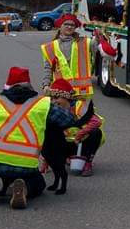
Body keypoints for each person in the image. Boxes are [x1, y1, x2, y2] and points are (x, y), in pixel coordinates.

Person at [0, 68, 81, 209]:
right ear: (29, 86)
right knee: (39, 185)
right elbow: (68, 120)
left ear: (7, 87)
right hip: (25, 166)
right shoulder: (42, 105)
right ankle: (24, 187)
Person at [40, 13, 114, 176]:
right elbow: (47, 68)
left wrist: (99, 37)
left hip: (82, 95)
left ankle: (86, 159)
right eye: (66, 24)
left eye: (72, 25)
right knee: (52, 127)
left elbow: (100, 48)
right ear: (60, 26)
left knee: (89, 129)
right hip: (60, 95)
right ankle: (54, 157)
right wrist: (45, 84)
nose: (69, 27)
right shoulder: (50, 47)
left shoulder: (84, 43)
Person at [45, 79, 104, 177]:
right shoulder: (54, 111)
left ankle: (87, 162)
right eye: (51, 98)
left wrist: (80, 134)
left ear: (66, 97)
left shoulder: (79, 105)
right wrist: (46, 160)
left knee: (96, 133)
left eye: (56, 97)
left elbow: (96, 121)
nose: (53, 102)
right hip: (67, 142)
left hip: (82, 141)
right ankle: (68, 157)